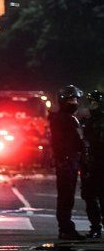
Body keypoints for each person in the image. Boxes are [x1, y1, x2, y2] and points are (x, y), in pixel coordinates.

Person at [49, 85, 86, 240]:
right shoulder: (62, 119)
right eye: (71, 100)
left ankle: (66, 228)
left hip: (71, 161)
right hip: (67, 162)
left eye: (76, 99)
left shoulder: (69, 118)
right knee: (66, 197)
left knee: (67, 197)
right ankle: (65, 229)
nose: (75, 102)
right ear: (63, 101)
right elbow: (66, 142)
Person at [82, 90, 104, 239]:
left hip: (100, 163)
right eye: (91, 103)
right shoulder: (89, 121)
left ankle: (97, 227)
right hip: (91, 163)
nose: (92, 106)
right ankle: (95, 226)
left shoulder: (100, 122)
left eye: (95, 103)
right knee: (89, 196)